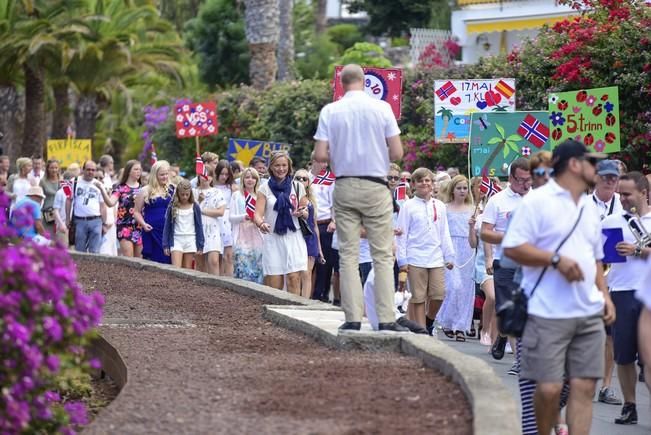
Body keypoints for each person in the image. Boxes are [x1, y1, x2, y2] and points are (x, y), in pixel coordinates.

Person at [502, 140, 616, 435]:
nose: (599, 169)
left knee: (584, 386)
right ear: (575, 165)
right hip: (546, 311)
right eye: (593, 162)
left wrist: (604, 295)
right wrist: (555, 260)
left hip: (588, 311)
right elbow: (512, 248)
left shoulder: (590, 208)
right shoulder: (537, 201)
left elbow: (595, 258)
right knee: (550, 389)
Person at [314, 64, 406, 333]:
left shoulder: (331, 111)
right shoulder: (382, 108)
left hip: (344, 184)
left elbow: (320, 155)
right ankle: (386, 317)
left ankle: (353, 317)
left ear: (342, 84)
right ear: (365, 82)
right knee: (382, 254)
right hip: (376, 184)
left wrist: (341, 154)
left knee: (349, 255)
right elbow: (397, 153)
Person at [601, 171, 650, 425]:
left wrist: (639, 249)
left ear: (644, 193)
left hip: (649, 294)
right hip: (621, 291)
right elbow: (604, 259)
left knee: (649, 358)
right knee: (624, 355)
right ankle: (629, 405)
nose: (622, 198)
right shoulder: (611, 221)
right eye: (620, 193)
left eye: (627, 194)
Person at [480, 157, 531, 360]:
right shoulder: (497, 201)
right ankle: (521, 361)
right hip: (506, 261)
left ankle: (502, 336)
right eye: (520, 180)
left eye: (529, 180)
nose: (525, 185)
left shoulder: (537, 198)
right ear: (510, 178)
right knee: (509, 310)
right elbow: (485, 232)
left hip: (532, 263)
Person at [396, 168, 454, 331]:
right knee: (418, 297)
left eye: (428, 180)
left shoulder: (440, 206)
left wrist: (449, 256)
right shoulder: (408, 206)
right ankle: (421, 331)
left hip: (435, 257)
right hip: (415, 257)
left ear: (432, 183)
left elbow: (444, 232)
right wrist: (402, 260)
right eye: (420, 180)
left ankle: (429, 321)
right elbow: (401, 234)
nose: (424, 183)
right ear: (413, 184)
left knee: (438, 294)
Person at [591, 158, 624, 405]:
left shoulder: (624, 205)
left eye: (615, 177)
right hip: (585, 277)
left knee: (610, 335)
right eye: (606, 177)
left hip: (614, 279)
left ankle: (606, 385)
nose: (611, 181)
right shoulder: (582, 205)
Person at [254, 151, 309, 294]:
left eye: (284, 165)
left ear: (289, 166)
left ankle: (294, 311)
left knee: (293, 278)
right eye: (277, 165)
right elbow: (257, 214)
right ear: (271, 167)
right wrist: (261, 224)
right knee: (275, 283)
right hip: (273, 237)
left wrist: (302, 212)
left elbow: (306, 210)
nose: (281, 169)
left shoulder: (297, 186)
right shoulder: (264, 188)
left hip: (294, 236)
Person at [437, 175, 476, 341]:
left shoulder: (472, 208)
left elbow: (475, 240)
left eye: (465, 188)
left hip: (466, 249)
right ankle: (446, 321)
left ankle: (461, 326)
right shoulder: (445, 208)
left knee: (466, 290)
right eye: (459, 188)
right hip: (450, 247)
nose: (462, 191)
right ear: (452, 189)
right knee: (453, 286)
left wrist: (473, 226)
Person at [309, 153, 339, 304]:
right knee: (308, 261)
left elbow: (334, 203)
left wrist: (334, 221)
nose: (325, 165)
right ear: (314, 161)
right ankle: (307, 292)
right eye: (322, 162)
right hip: (307, 224)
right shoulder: (304, 177)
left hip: (324, 224)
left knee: (324, 262)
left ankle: (321, 294)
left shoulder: (329, 179)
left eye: (327, 162)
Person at [99, 160, 143, 257]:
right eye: (136, 169)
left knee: (140, 261)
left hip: (140, 227)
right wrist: (102, 190)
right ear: (128, 171)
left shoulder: (143, 188)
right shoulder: (120, 188)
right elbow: (110, 203)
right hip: (124, 227)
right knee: (129, 260)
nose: (138, 172)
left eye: (140, 169)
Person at [134, 160, 174, 264]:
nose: (165, 177)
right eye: (162, 175)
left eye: (166, 174)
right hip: (151, 231)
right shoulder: (144, 190)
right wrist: (143, 224)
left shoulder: (172, 189)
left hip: (169, 232)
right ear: (155, 175)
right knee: (153, 262)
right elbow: (136, 212)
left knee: (169, 260)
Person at [230, 168, 264, 283]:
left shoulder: (260, 196)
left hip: (257, 236)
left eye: (253, 177)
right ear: (243, 179)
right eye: (247, 177)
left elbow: (264, 216)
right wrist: (243, 216)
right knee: (242, 267)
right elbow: (231, 217)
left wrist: (259, 219)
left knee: (258, 268)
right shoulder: (236, 195)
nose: (250, 180)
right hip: (241, 235)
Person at [294, 168, 323, 299]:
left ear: (308, 183)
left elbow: (315, 225)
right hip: (295, 236)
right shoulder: (290, 197)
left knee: (307, 274)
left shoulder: (311, 200)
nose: (301, 181)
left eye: (304, 179)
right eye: (298, 178)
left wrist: (320, 249)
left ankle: (304, 302)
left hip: (310, 238)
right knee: (295, 274)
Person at [66, 160, 106, 253]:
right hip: (79, 221)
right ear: (83, 170)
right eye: (88, 169)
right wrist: (67, 219)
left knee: (95, 251)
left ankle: (94, 268)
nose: (90, 172)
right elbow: (68, 200)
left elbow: (103, 205)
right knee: (80, 250)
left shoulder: (99, 185)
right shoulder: (73, 181)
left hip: (96, 221)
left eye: (93, 170)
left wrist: (104, 223)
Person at [163, 179, 204, 269]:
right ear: (178, 193)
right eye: (182, 194)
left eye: (187, 194)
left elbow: (199, 226)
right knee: (176, 269)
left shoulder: (195, 206)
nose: (184, 197)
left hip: (190, 239)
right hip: (176, 239)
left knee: (187, 269)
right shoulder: (172, 206)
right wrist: (165, 244)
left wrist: (200, 245)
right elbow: (167, 226)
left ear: (190, 194)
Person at [194, 170, 226, 275]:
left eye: (208, 175)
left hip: (213, 229)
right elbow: (190, 211)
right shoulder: (193, 192)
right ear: (198, 177)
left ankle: (216, 286)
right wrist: (198, 201)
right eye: (203, 175)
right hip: (197, 229)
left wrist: (202, 211)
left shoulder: (217, 192)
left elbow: (220, 212)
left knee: (214, 261)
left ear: (212, 178)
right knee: (199, 262)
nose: (205, 177)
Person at [214, 160, 238, 276]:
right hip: (215, 220)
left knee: (228, 255)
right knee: (216, 255)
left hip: (228, 221)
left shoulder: (232, 187)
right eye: (222, 174)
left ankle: (230, 279)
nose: (224, 177)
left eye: (226, 174)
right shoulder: (212, 186)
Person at [39, 159, 61, 236]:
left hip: (59, 213)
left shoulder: (61, 181)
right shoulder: (43, 181)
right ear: (47, 169)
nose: (54, 170)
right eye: (51, 168)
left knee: (59, 237)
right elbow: (39, 197)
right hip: (47, 214)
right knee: (48, 236)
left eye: (56, 168)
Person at [52, 171, 74, 246]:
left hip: (73, 226)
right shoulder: (60, 193)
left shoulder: (75, 192)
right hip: (63, 225)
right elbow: (56, 210)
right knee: (63, 249)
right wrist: (61, 224)